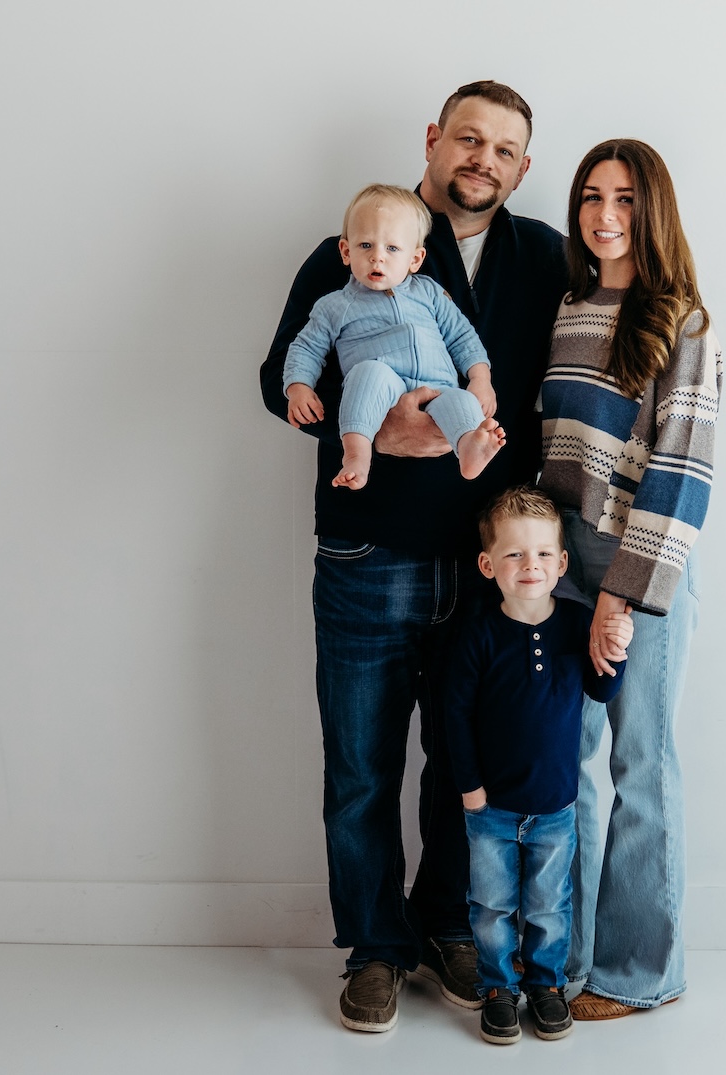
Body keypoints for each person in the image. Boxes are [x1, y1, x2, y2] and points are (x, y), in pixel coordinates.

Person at [259, 81, 568, 1033]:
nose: (482, 159)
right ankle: (376, 948)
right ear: (433, 142)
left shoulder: (543, 257)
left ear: (521, 168)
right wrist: (371, 431)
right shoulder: (351, 246)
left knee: (460, 761)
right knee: (360, 764)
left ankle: (446, 928)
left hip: (489, 566)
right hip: (369, 550)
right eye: (467, 139)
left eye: (504, 150)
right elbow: (282, 377)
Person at [537, 139, 722, 1019]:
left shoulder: (683, 321)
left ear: (653, 211)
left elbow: (681, 476)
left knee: (641, 764)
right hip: (562, 567)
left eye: (624, 199)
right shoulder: (570, 306)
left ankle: (642, 972)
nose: (605, 215)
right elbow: (558, 452)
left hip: (643, 571)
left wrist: (618, 594)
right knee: (564, 767)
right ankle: (567, 962)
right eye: (590, 197)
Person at [445, 486, 633, 1044]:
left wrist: (616, 649)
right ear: (488, 564)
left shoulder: (576, 626)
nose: (532, 566)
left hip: (555, 805)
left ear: (563, 562)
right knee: (491, 905)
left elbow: (600, 690)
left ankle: (547, 987)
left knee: (551, 905)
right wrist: (470, 790)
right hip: (491, 808)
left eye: (544, 554)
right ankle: (499, 988)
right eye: (515, 554)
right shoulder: (477, 636)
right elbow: (454, 717)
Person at [282, 184, 507, 489]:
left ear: (415, 259)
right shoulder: (336, 306)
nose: (378, 258)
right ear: (346, 251)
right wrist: (298, 387)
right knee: (367, 374)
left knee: (464, 402)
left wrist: (481, 378)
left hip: (438, 386)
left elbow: (462, 335)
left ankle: (469, 448)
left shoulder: (429, 293)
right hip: (383, 388)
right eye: (365, 246)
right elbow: (306, 348)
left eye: (392, 248)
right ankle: (356, 457)